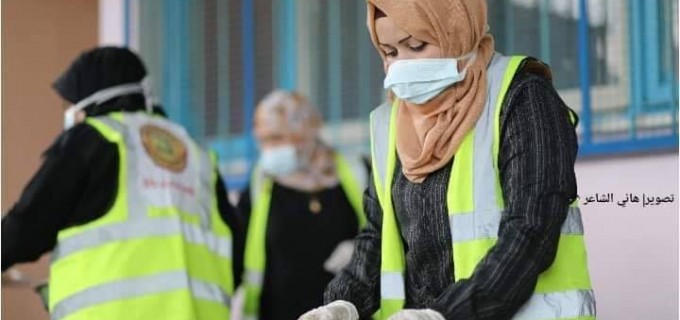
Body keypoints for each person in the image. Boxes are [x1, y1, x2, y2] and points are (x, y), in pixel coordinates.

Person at [300, 1, 596, 319]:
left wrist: (447, 313)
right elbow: (378, 235)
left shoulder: (522, 97)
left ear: (456, 29)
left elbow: (532, 227)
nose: (401, 65)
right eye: (389, 52)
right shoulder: (389, 123)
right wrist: (343, 302)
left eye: (416, 45)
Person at [1, 47, 244, 320]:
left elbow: (28, 226)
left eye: (70, 104)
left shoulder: (93, 140)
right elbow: (234, 254)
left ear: (91, 98)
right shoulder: (197, 156)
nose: (69, 113)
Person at [236, 90, 368, 320]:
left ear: (307, 132)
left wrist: (361, 254)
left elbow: (385, 235)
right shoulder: (261, 184)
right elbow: (235, 255)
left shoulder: (356, 173)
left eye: (277, 138)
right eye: (262, 140)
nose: (269, 149)